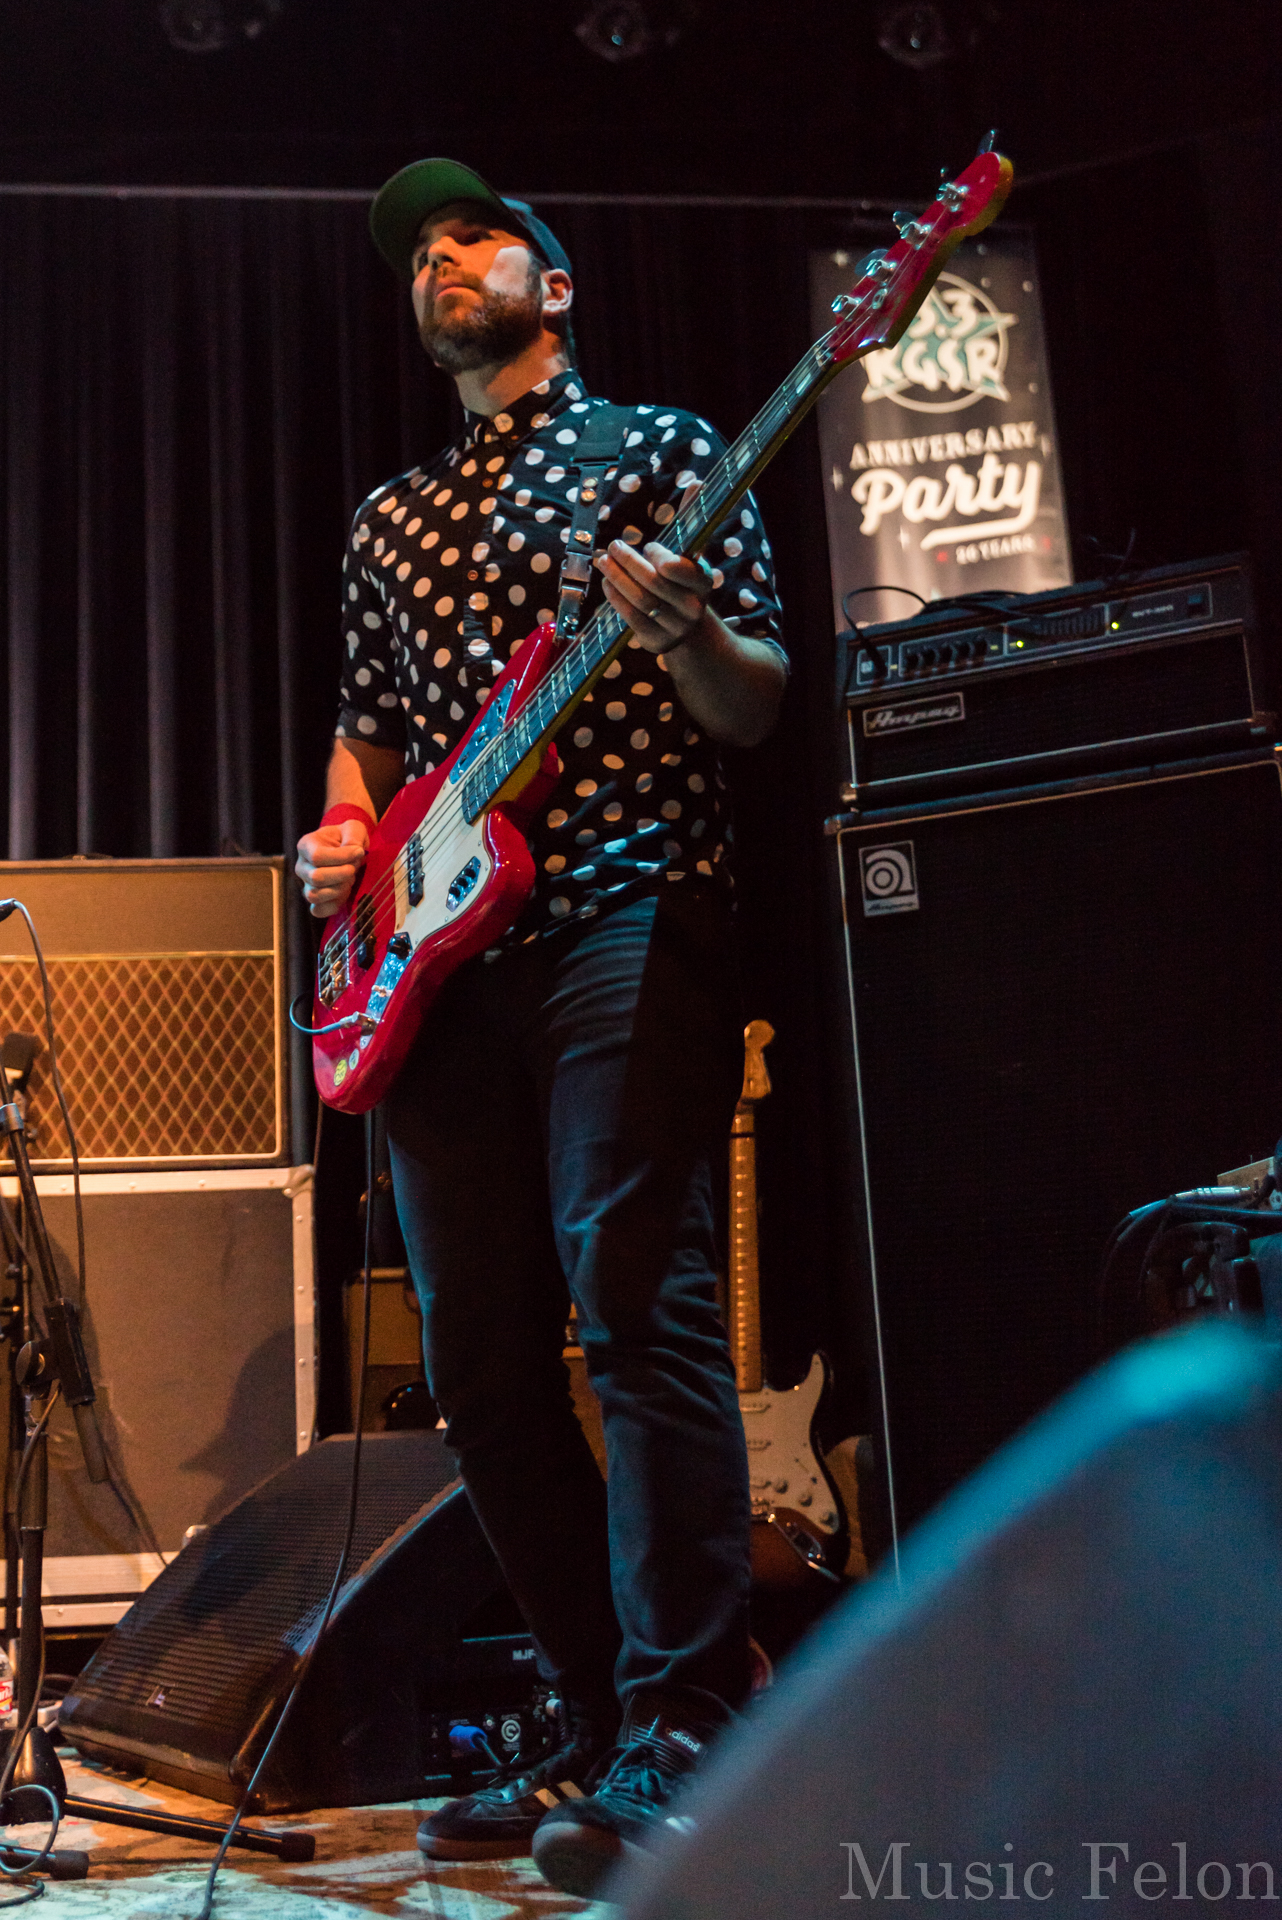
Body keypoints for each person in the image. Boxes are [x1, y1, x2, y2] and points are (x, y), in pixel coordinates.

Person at [294, 157, 786, 1898]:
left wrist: (692, 632)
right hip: (442, 964)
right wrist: (343, 841)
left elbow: (749, 702)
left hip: (627, 907)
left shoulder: (660, 450)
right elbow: (367, 731)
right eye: (417, 255)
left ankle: (692, 1717)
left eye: (473, 237)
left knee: (635, 1306)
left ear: (553, 286)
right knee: (481, 1366)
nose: (439, 259)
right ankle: (593, 1713)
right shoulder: (388, 519)